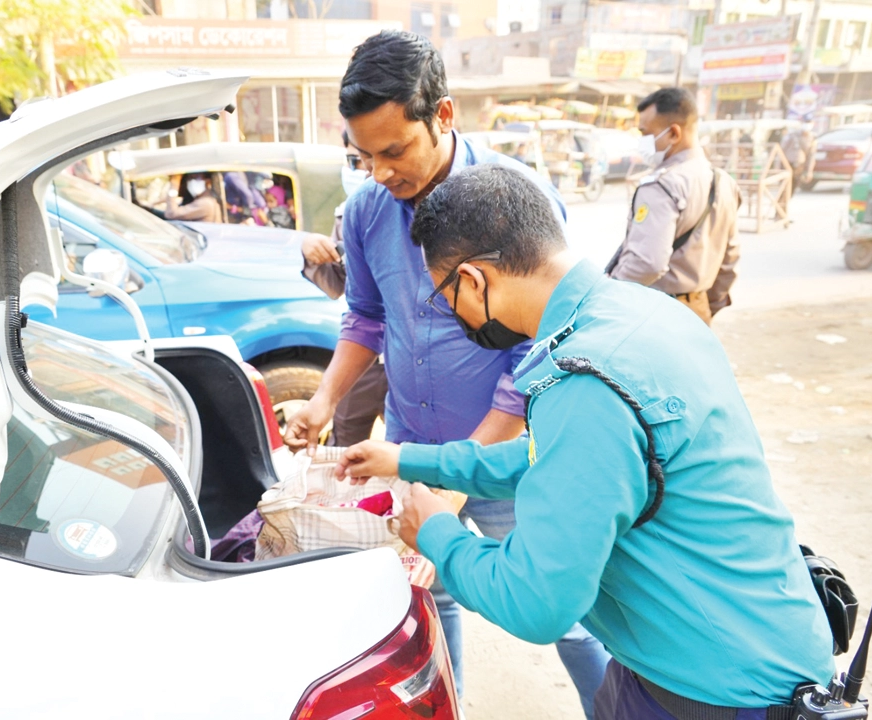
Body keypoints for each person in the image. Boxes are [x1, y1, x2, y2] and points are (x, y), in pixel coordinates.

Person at [336, 163, 837, 719]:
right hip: (717, 647)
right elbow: (557, 460)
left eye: (443, 297)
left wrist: (437, 533)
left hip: (717, 690)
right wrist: (409, 459)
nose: (451, 314)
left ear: (474, 280)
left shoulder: (587, 381)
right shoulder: (641, 312)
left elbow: (536, 602)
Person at [280, 29, 611, 716]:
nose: (379, 173)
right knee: (431, 595)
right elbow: (365, 317)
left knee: (572, 614)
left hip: (512, 454)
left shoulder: (515, 200)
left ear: (444, 115)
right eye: (363, 156)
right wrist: (323, 400)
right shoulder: (367, 209)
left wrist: (463, 473)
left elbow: (536, 351)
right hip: (412, 447)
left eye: (394, 150)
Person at [606, 87, 741, 326]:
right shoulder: (724, 181)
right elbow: (729, 259)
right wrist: (706, 304)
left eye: (645, 133)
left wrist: (610, 295)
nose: (642, 142)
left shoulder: (661, 186)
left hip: (657, 313)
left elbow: (647, 263)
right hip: (698, 309)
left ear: (673, 133)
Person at [299, 130, 388, 446]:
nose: (364, 168)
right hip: (363, 358)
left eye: (369, 157)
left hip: (408, 361)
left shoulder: (416, 208)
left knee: (409, 450)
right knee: (346, 440)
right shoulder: (349, 213)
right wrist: (312, 253)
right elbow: (341, 287)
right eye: (354, 160)